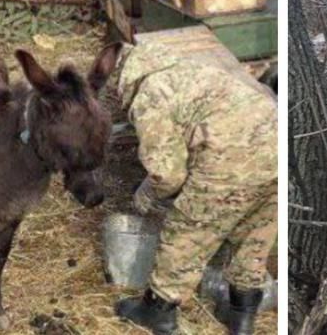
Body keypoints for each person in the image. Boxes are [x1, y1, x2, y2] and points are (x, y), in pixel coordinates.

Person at [112, 40, 277, 335]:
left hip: (230, 163)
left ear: (125, 76)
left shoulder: (151, 94)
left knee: (187, 231)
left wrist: (146, 195)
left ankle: (158, 311)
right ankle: (242, 315)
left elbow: (167, 174)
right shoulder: (195, 71)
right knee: (254, 236)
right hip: (276, 150)